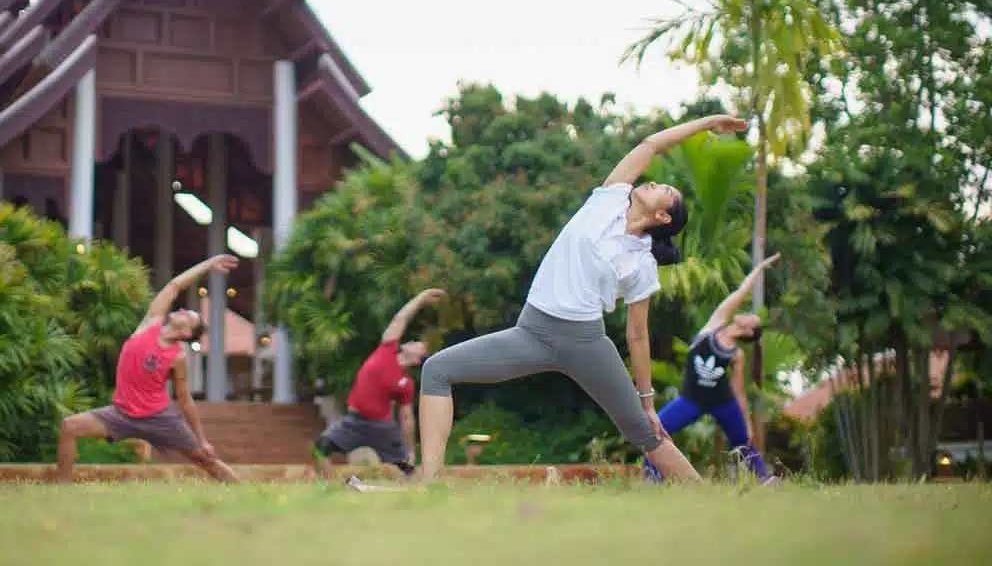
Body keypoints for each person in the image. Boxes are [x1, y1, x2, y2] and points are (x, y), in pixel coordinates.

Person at [413, 113, 751, 485]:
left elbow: (637, 335)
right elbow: (652, 145)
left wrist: (648, 401)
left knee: (645, 431)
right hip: (531, 333)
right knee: (437, 370)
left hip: (585, 342)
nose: (655, 182)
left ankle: (704, 495)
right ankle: (428, 485)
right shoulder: (608, 199)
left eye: (665, 191)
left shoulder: (642, 265)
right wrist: (706, 124)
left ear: (662, 216)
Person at [54, 253, 243, 484]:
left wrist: (201, 439)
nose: (183, 310)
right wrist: (208, 264)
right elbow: (175, 285)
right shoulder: (150, 324)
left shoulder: (178, 357)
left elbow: (185, 400)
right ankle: (61, 485)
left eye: (189, 316)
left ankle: (246, 491)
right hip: (121, 414)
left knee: (206, 459)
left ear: (185, 333)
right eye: (185, 310)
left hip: (159, 418)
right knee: (70, 426)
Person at [643, 254, 781, 485]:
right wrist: (759, 269)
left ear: (748, 332)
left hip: (722, 402)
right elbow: (739, 294)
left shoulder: (736, 355)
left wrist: (745, 420)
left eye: (751, 319)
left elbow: (738, 391)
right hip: (691, 400)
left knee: (742, 440)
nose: (747, 314)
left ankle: (765, 479)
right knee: (657, 430)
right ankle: (653, 476)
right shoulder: (714, 326)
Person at [312, 288, 445, 481]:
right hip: (354, 421)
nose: (414, 341)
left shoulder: (406, 383)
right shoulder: (387, 349)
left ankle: (421, 493)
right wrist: (421, 298)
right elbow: (401, 318)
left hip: (382, 428)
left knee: (406, 467)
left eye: (419, 345)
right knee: (319, 449)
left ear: (417, 359)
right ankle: (335, 485)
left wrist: (410, 450)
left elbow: (407, 418)